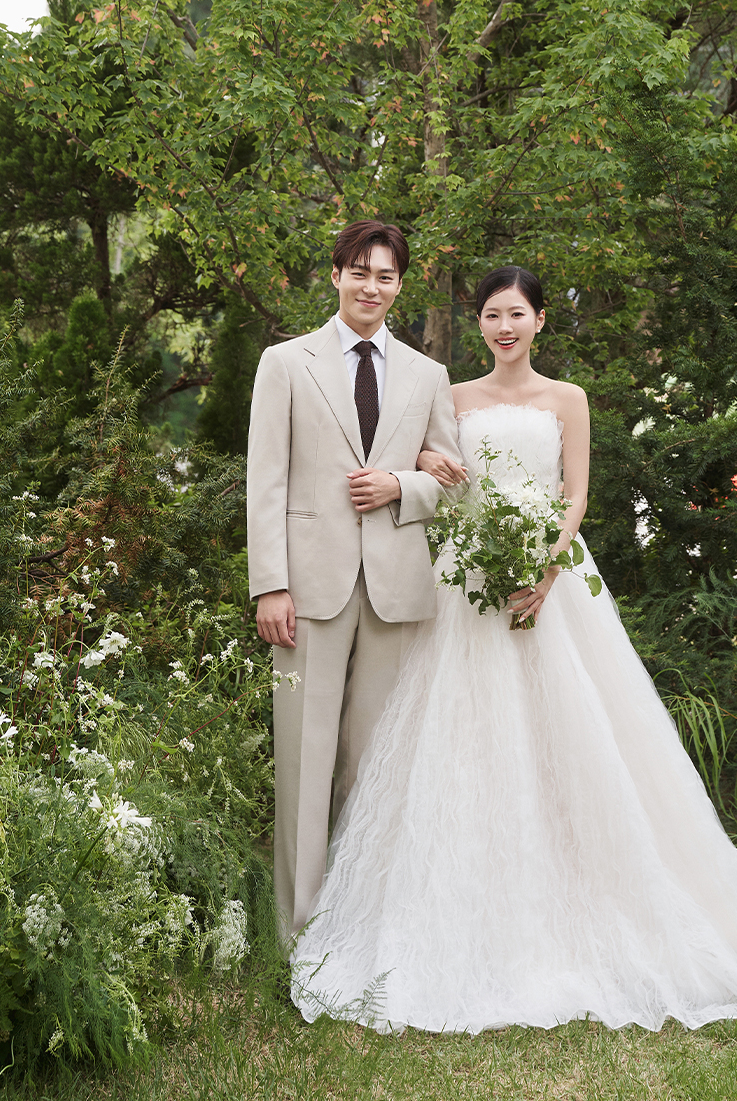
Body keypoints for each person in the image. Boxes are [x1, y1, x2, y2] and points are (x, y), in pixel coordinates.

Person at [290, 265, 737, 1034]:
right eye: (491, 315)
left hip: (551, 579)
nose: (503, 327)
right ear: (478, 323)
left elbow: (574, 493)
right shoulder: (452, 397)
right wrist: (421, 472)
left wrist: (546, 567)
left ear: (541, 320)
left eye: (516, 314)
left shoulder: (568, 399)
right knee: (462, 742)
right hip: (467, 581)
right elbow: (434, 477)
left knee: (574, 737)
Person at [247, 220, 466, 937]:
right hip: (308, 586)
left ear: (400, 286)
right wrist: (269, 584)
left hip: (397, 589)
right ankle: (297, 931)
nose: (372, 287)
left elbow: (456, 484)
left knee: (374, 764)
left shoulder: (427, 375)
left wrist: (403, 485)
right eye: (361, 272)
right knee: (304, 761)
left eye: (386, 276)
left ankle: (359, 925)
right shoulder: (286, 363)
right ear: (337, 274)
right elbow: (265, 481)